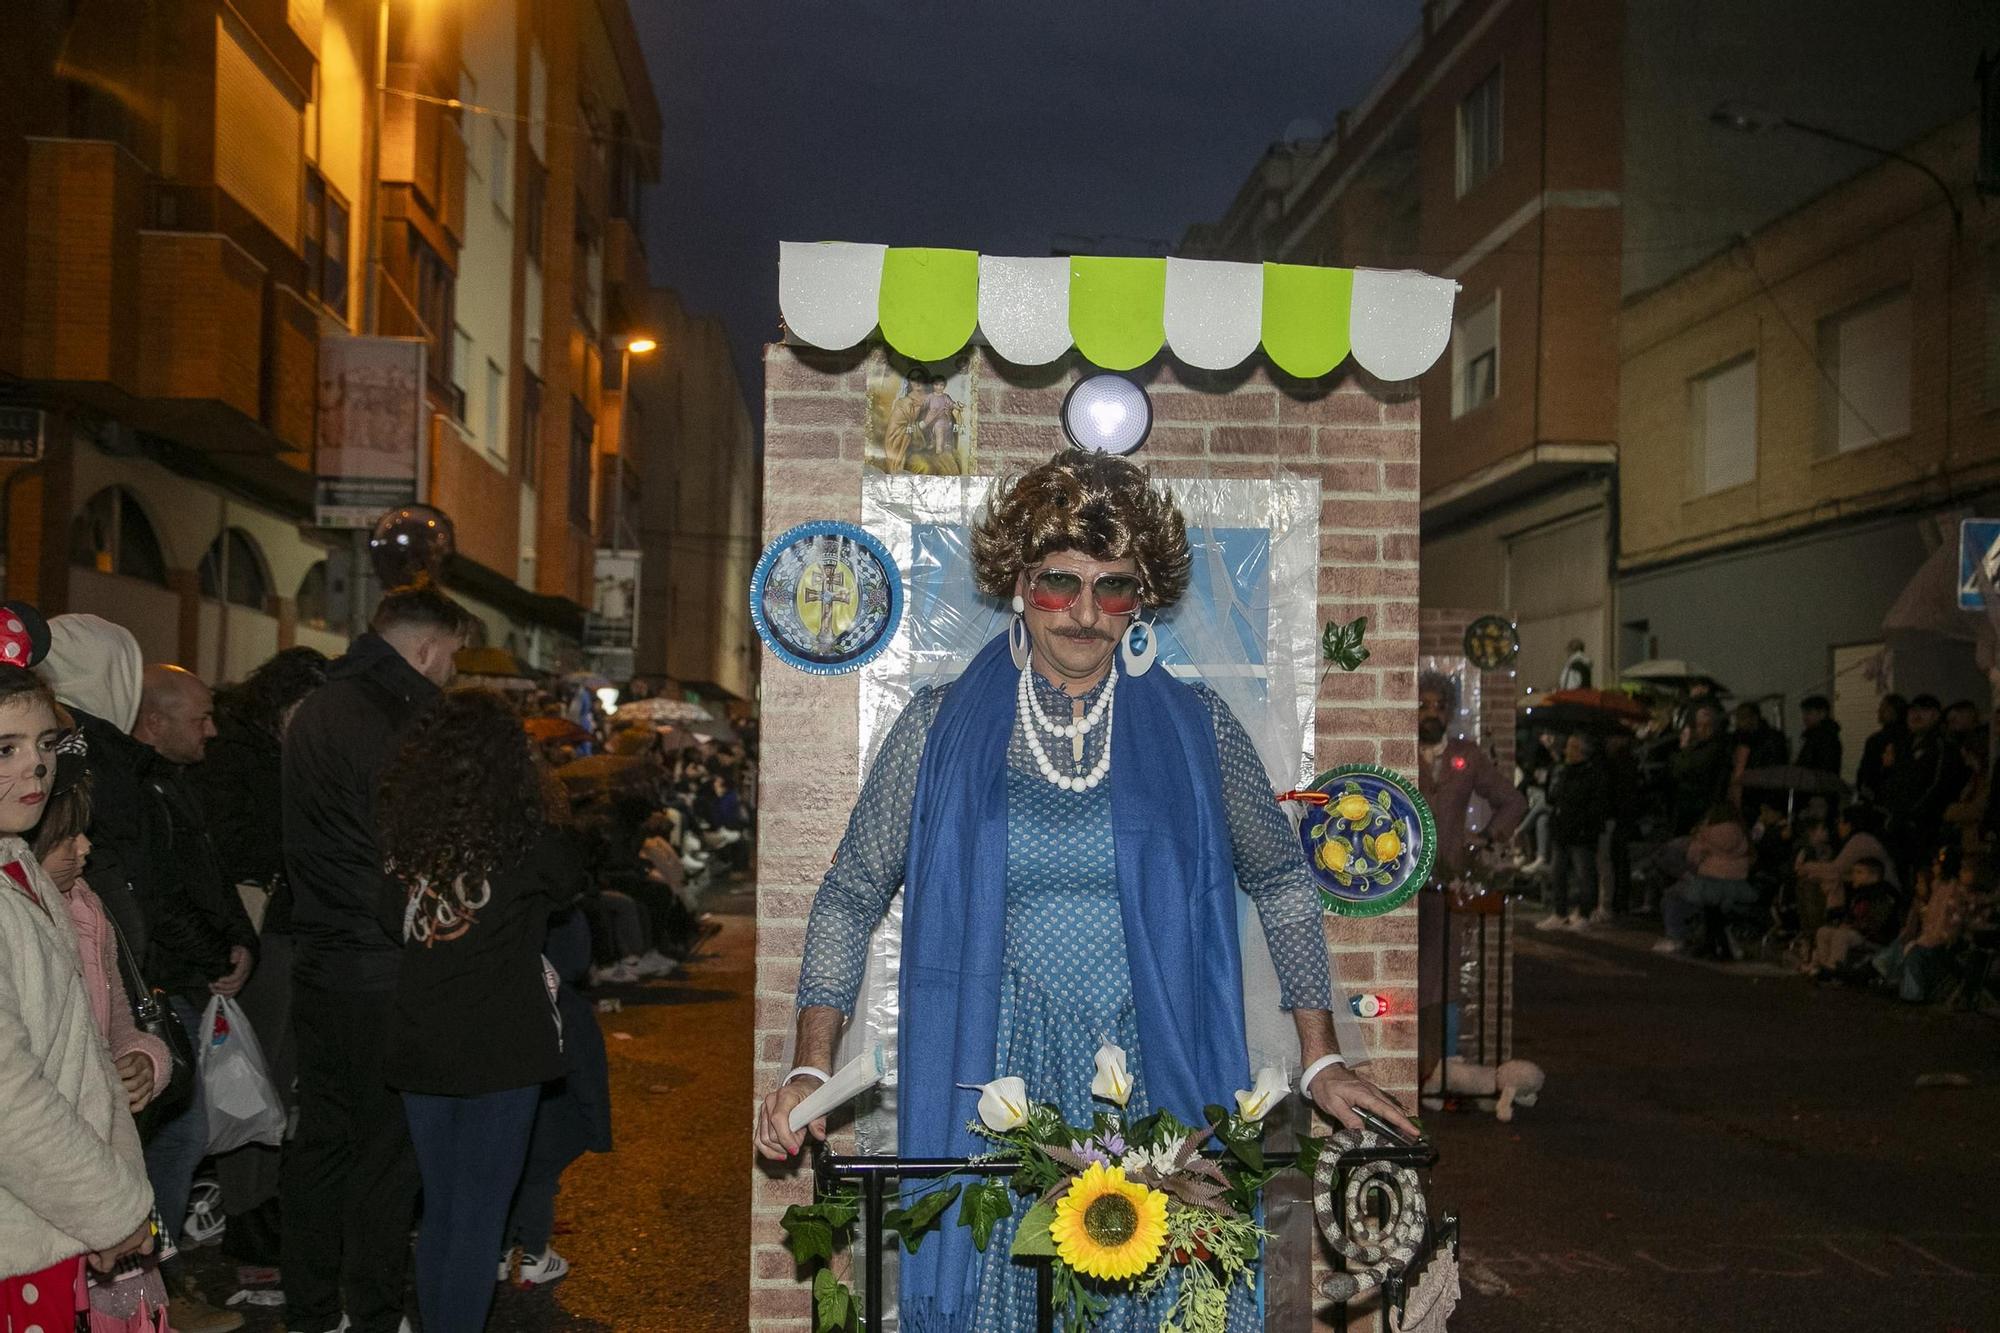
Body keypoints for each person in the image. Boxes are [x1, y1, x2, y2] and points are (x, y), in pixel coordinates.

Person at [754, 450, 1410, 1330]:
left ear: (1144, 598)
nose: (1088, 612)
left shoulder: (1200, 729)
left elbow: (1284, 882)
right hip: (992, 1086)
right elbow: (848, 893)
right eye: (1061, 582)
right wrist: (809, 1062)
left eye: (1117, 587)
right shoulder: (937, 725)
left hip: (1162, 1078)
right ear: (1018, 583)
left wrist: (1323, 1056)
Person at [281, 581, 474, 1333]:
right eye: (452, 656)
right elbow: (412, 849)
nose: (451, 673)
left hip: (322, 956)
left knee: (323, 1137)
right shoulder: (396, 722)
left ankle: (309, 1305)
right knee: (387, 1151)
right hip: (382, 963)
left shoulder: (320, 706)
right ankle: (370, 1307)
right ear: (427, 648)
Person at [378, 691, 581, 1333]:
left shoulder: (402, 848)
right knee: (479, 1214)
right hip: (503, 1048)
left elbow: (388, 922)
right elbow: (574, 884)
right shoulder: (534, 845)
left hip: (423, 1041)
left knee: (443, 1209)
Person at [0, 659, 157, 1327]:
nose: (36, 767)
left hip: (45, 1223)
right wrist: (111, 1207)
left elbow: (79, 1050)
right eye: (5, 747)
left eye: (43, 744)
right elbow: (10, 1099)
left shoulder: (21, 868)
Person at [191, 647, 330, 1262]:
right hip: (263, 929)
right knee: (257, 1071)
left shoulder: (275, 750)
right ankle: (246, 1210)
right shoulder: (238, 754)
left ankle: (261, 1202)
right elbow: (238, 839)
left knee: (275, 1069)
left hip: (287, 925)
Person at [128, 665, 254, 1333]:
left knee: (180, 1134)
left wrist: (238, 938)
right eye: (199, 716)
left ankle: (152, 1281)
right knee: (179, 1135)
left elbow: (209, 876)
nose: (211, 728)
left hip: (181, 980)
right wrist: (216, 951)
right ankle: (152, 1286)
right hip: (163, 985)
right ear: (155, 721)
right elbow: (161, 897)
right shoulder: (141, 791)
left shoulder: (173, 784)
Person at [36, 736, 176, 1332]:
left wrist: (143, 1056)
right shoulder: (25, 918)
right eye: (66, 839)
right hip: (51, 1160)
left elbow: (119, 1012)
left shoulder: (89, 907)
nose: (85, 849)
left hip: (105, 1141)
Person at [1656, 803, 1758, 954]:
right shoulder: (1743, 836)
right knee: (1714, 911)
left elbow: (1692, 858)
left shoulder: (1706, 834)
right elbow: (1750, 861)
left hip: (1708, 885)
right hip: (1736, 889)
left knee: (1672, 896)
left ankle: (1675, 936)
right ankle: (1722, 939)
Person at [1793, 805, 1898, 937]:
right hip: (1866, 888)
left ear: (1850, 824)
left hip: (1881, 893)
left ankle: (1815, 934)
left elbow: (1836, 869)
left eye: (1841, 822)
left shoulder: (1861, 840)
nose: (1838, 826)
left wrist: (1806, 867)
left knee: (1811, 884)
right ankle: (1813, 934)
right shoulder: (1860, 840)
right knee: (1810, 881)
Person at [1540, 734, 1608, 930]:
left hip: (1580, 831)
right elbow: (1554, 796)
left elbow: (1594, 805)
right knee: (1558, 872)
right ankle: (1559, 912)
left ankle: (1585, 912)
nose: (1566, 751)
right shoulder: (1564, 771)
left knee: (1584, 873)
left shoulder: (1592, 774)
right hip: (1562, 829)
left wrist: (1585, 826)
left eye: (1571, 747)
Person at [1805, 856, 1896, 977]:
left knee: (1841, 935)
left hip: (1874, 939)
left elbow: (1876, 923)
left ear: (1874, 876)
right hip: (1858, 933)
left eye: (1859, 872)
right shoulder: (1860, 893)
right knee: (1824, 931)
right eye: (1854, 872)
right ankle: (1822, 965)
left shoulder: (1883, 895)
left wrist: (1852, 927)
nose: (1854, 875)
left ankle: (1834, 968)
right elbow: (1851, 915)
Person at [1669, 704, 1731, 834]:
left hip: (1702, 803)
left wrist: (1684, 748)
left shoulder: (1715, 748)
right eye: (1699, 725)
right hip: (1688, 802)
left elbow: (1688, 767)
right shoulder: (1698, 747)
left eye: (1707, 725)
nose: (1702, 729)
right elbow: (1675, 770)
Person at [1727, 702, 1788, 816]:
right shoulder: (1737, 739)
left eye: (1742, 717)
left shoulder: (1772, 739)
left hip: (1762, 794)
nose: (1738, 722)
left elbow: (1775, 766)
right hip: (1742, 793)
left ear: (1754, 717)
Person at [1854, 693, 1907, 806]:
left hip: (1882, 794)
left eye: (1884, 708)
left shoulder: (1879, 739)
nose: (1879, 711)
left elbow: (1867, 767)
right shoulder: (1907, 737)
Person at [1795, 695, 1841, 776]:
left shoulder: (1825, 738)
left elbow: (1826, 768)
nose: (1804, 717)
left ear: (1822, 713)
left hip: (1817, 784)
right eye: (1804, 713)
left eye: (1808, 713)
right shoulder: (1814, 736)